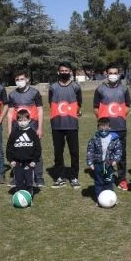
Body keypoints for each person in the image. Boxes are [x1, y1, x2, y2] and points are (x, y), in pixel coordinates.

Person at [93, 64, 131, 190]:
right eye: (111, 73)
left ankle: (122, 179)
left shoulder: (124, 89)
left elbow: (127, 107)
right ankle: (106, 175)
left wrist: (119, 117)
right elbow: (95, 108)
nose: (113, 75)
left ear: (118, 74)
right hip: (105, 129)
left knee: (121, 155)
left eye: (115, 73)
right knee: (104, 154)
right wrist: (103, 123)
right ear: (106, 74)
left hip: (120, 127)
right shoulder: (100, 89)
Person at [6, 70, 45, 188]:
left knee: (35, 151)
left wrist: (40, 127)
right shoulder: (12, 95)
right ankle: (17, 177)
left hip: (32, 127)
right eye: (17, 80)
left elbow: (40, 110)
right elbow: (10, 112)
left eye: (21, 79)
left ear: (27, 79)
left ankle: (38, 177)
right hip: (17, 128)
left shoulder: (35, 93)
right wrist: (9, 130)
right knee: (18, 151)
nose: (19, 82)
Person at [49, 61, 83, 189]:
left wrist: (74, 112)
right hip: (57, 125)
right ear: (58, 72)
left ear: (70, 72)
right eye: (62, 70)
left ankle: (74, 177)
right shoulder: (53, 87)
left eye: (66, 70)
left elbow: (79, 103)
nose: (64, 72)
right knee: (58, 152)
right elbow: (51, 103)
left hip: (72, 125)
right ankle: (59, 177)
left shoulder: (76, 87)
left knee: (74, 152)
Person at [85, 117, 123, 200]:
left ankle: (110, 198)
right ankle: (99, 198)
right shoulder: (94, 139)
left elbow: (118, 151)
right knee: (99, 182)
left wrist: (115, 160)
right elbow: (90, 151)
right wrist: (90, 163)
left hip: (109, 165)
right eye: (101, 127)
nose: (103, 130)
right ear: (98, 127)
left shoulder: (114, 139)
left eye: (105, 127)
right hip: (98, 164)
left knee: (109, 181)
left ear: (109, 128)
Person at [6, 109, 42, 197]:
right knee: (19, 180)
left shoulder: (32, 133)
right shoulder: (14, 133)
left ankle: (29, 195)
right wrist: (11, 160)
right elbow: (9, 148)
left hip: (29, 163)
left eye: (25, 120)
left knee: (29, 180)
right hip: (17, 162)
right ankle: (19, 195)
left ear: (29, 120)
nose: (22, 123)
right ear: (16, 121)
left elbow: (38, 148)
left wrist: (34, 160)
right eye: (20, 120)